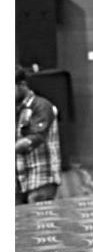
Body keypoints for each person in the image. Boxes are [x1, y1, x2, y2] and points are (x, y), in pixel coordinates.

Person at [15, 65, 61, 204]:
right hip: (20, 179)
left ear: (22, 85)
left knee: (37, 215)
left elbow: (34, 139)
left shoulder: (41, 105)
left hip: (41, 177)